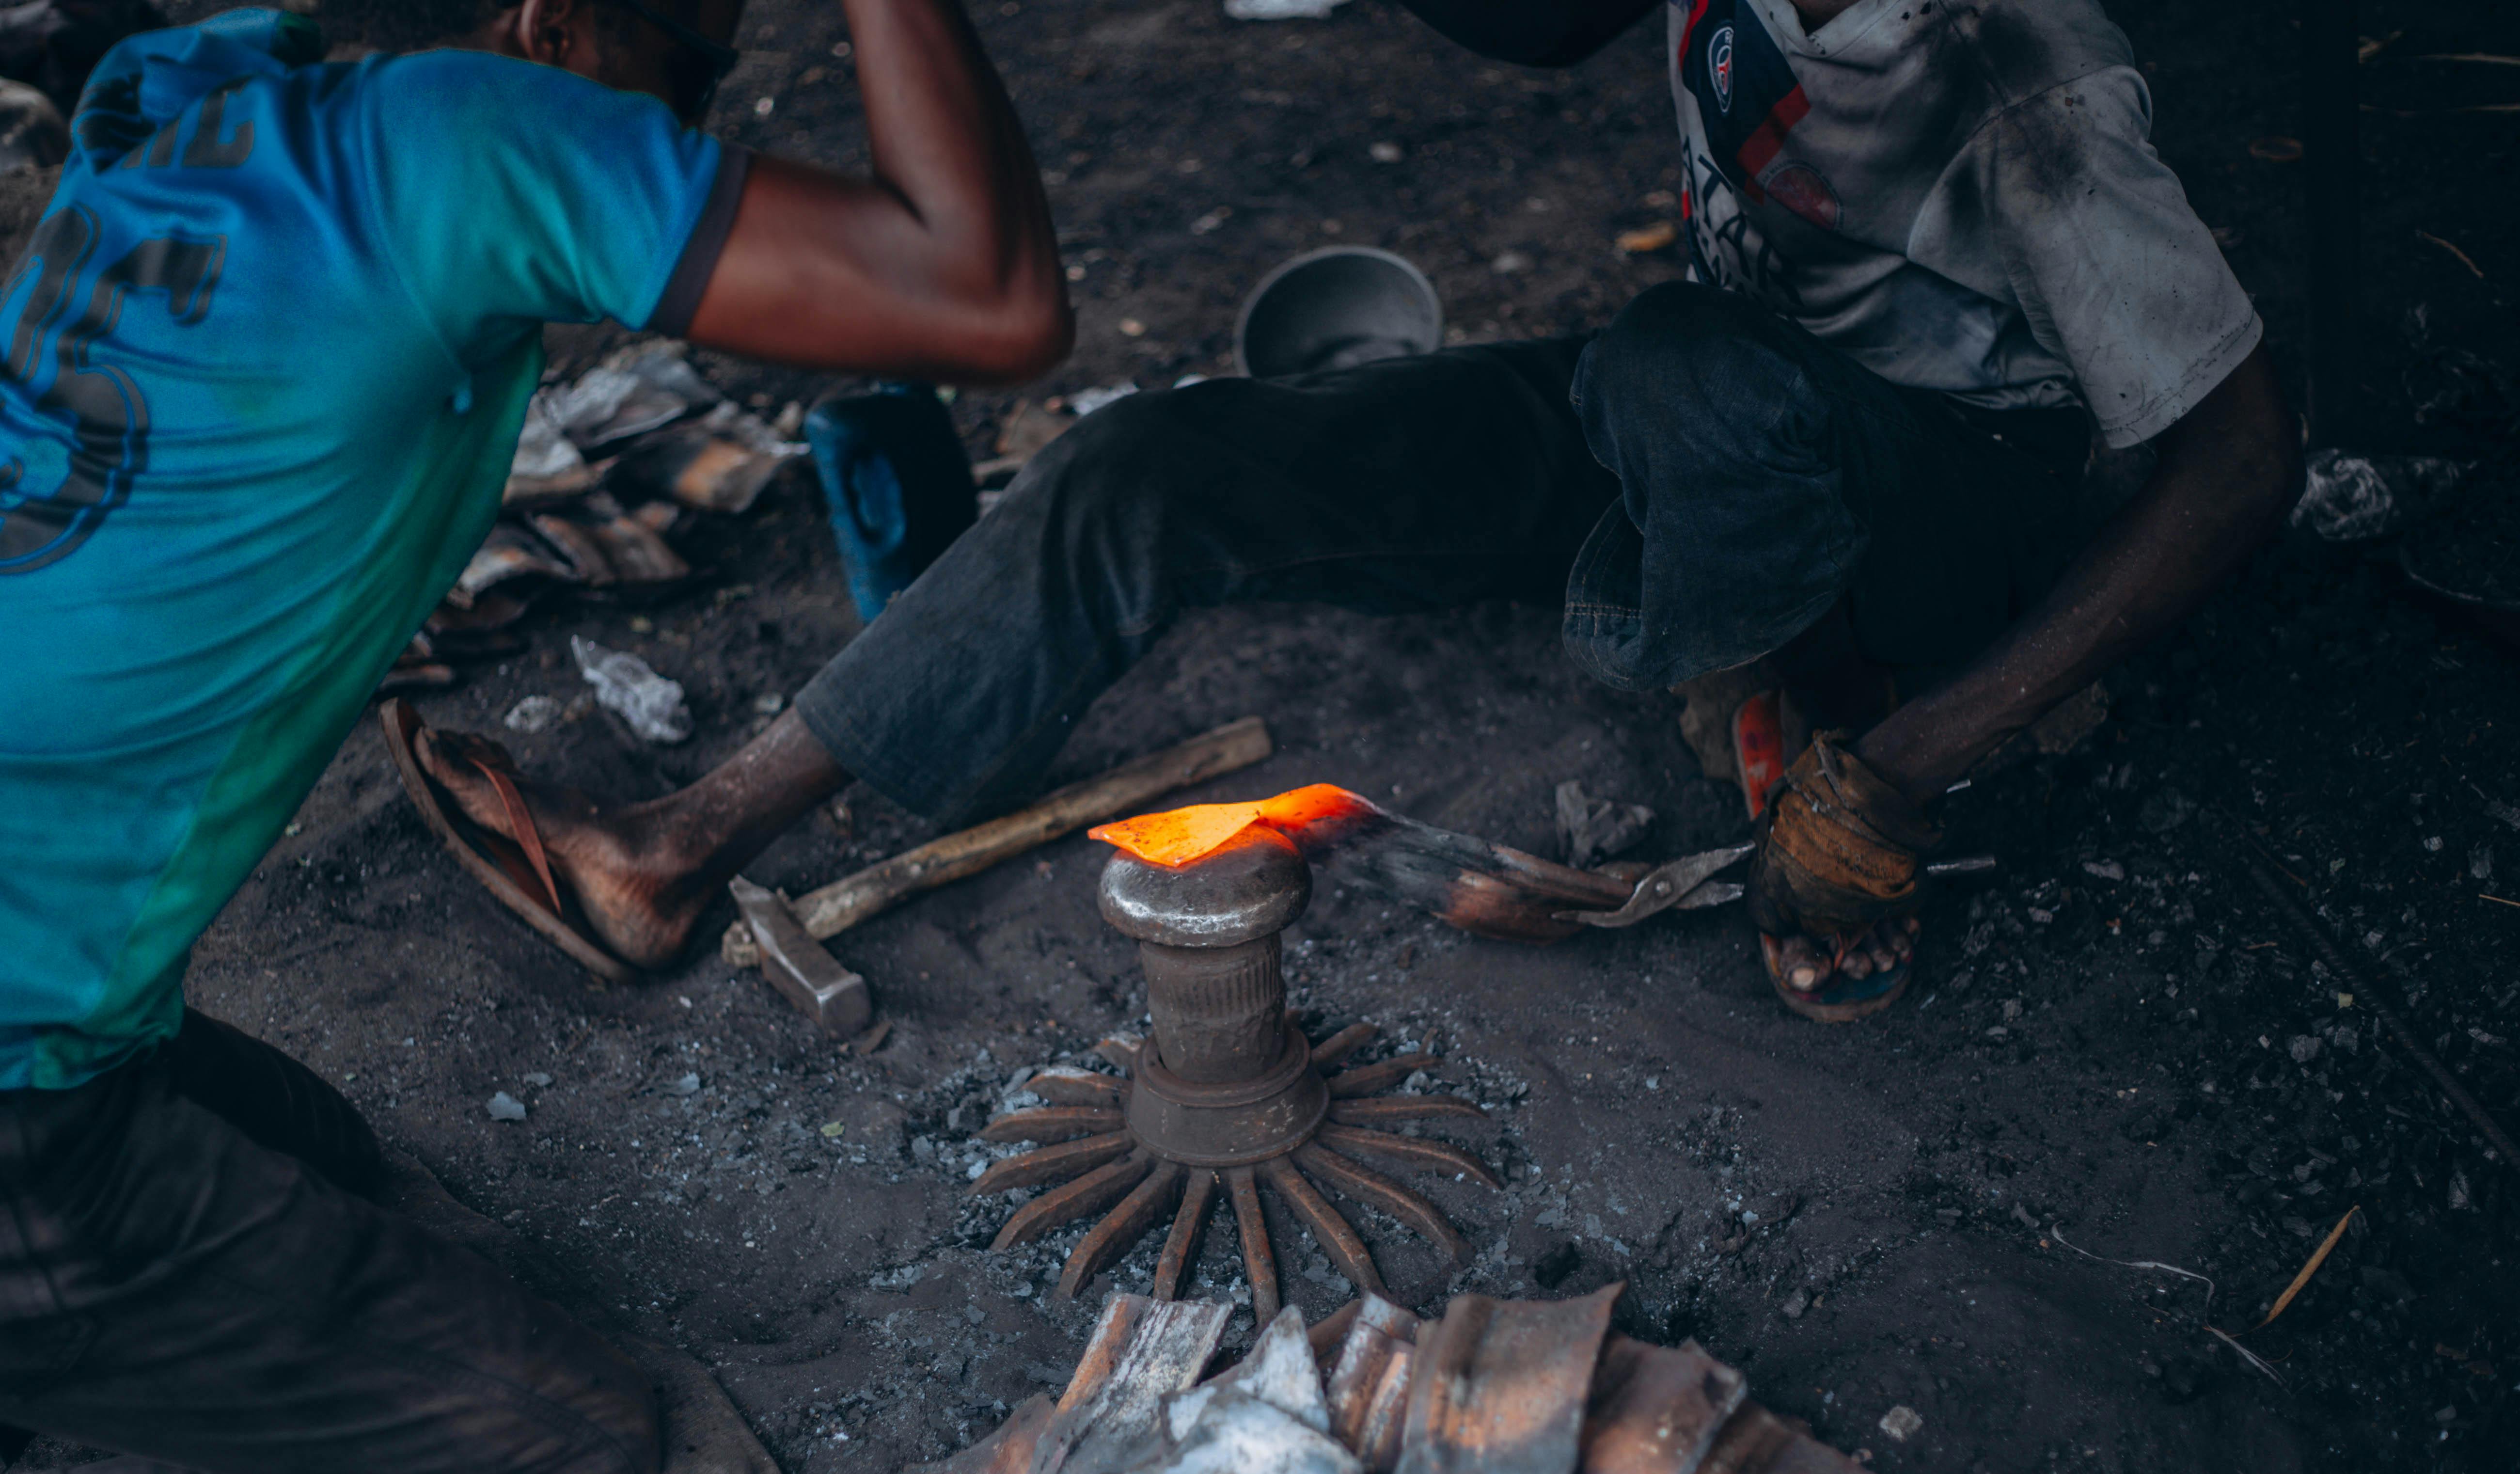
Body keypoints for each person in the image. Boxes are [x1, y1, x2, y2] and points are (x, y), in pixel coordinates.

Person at [0, 0, 1064, 1474]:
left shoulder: (201, 108)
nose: (693, 151)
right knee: (569, 1452)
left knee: (328, 1167)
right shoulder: (468, 137)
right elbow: (985, 293)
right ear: (550, 24)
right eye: (689, 80)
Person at [400, 0, 2300, 1024]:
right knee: (1154, 466)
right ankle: (684, 839)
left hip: (1948, 496)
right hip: (1718, 411)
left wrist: (1922, 759)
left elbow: (2234, 466)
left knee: (1672, 373)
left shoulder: (2014, 77)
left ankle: (1814, 712)